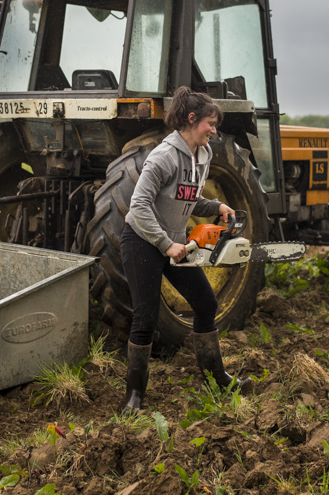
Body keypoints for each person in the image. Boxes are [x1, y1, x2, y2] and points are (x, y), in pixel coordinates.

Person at [120, 85, 254, 414]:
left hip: (173, 242)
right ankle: (133, 398)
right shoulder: (164, 156)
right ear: (192, 120)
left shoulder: (202, 156)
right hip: (142, 240)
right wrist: (166, 244)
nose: (214, 129)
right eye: (211, 123)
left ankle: (218, 378)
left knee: (206, 304)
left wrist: (216, 206)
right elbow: (139, 204)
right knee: (145, 318)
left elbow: (187, 197)